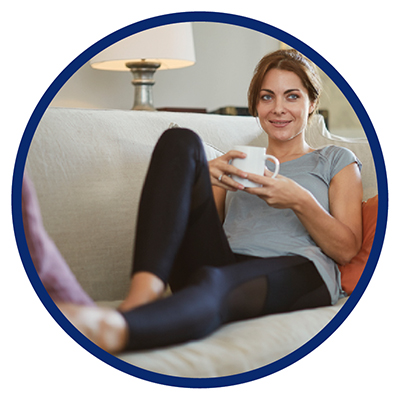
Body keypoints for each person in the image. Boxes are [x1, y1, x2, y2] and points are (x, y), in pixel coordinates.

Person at [57, 49, 363, 354]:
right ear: (256, 105)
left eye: (292, 96)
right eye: (267, 97)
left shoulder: (335, 160)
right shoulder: (238, 161)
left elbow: (347, 249)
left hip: (300, 268)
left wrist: (300, 200)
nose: (278, 108)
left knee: (214, 281)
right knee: (181, 142)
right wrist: (201, 179)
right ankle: (141, 296)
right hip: (226, 260)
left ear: (312, 103)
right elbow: (206, 230)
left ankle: (118, 328)